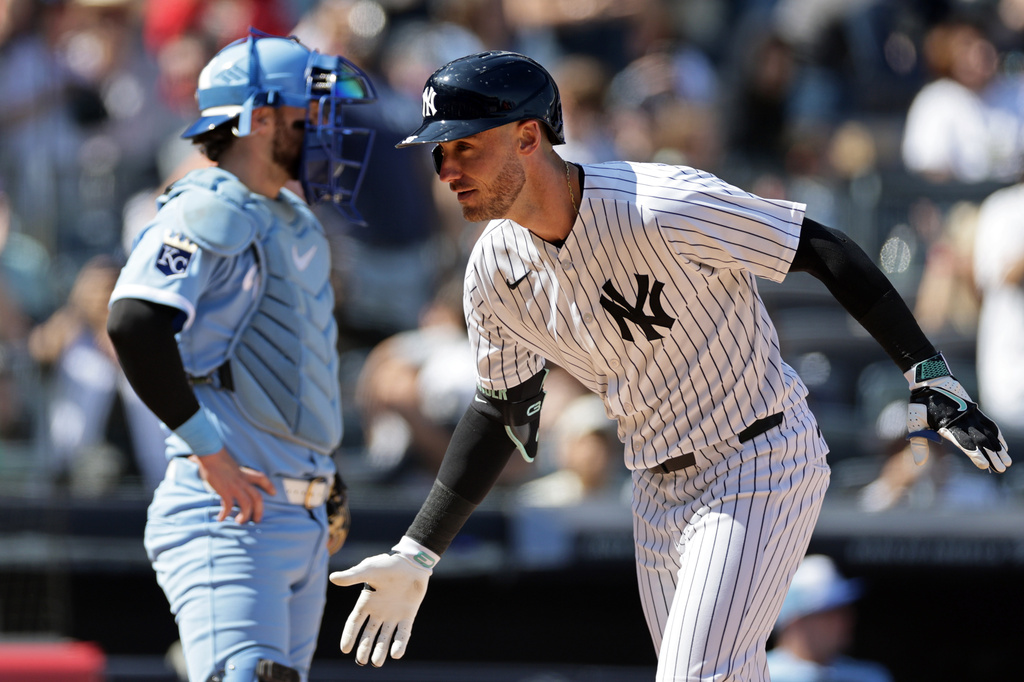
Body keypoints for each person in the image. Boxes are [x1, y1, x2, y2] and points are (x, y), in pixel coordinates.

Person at [328, 51, 1010, 680]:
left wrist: (926, 372)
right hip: (654, 489)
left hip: (756, 456)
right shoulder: (493, 270)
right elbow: (500, 408)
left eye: (465, 146)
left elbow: (821, 247)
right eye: (440, 152)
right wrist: (419, 551)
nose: (446, 171)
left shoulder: (659, 204)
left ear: (529, 136)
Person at [105, 30, 375, 682]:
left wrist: (317, 472)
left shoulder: (291, 217)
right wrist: (207, 448)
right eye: (306, 115)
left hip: (299, 519)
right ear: (258, 120)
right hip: (231, 518)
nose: (324, 130)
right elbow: (134, 322)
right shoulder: (210, 206)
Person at [766, 554, 893, 682]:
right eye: (828, 613)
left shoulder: (870, 676)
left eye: (843, 610)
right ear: (796, 621)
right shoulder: (757, 674)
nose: (845, 620)